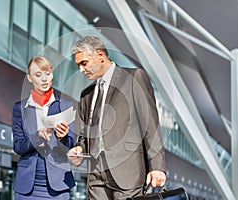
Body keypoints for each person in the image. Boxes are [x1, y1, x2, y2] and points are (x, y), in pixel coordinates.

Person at [68, 36, 166, 199]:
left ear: (100, 55)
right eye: (78, 65)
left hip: (127, 171)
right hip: (96, 174)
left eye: (84, 63)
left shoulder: (134, 77)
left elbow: (150, 123)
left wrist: (157, 166)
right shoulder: (86, 95)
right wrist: (80, 148)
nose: (81, 70)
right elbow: (86, 134)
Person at [12, 55, 75, 199]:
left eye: (48, 73)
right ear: (29, 78)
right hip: (27, 186)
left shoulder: (65, 105)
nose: (44, 79)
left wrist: (63, 136)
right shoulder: (20, 108)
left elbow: (71, 144)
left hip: (58, 185)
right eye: (38, 75)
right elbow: (18, 147)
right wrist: (37, 136)